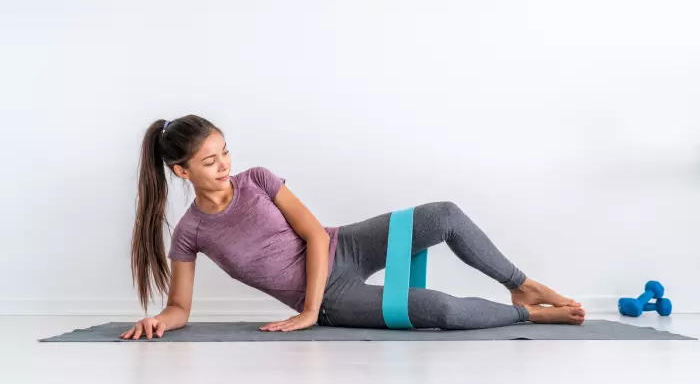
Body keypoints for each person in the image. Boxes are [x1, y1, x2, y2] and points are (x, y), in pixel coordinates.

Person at [121, 115, 586, 340]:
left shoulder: (258, 179)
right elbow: (180, 306)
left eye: (225, 151)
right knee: (439, 311)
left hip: (344, 247)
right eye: (209, 160)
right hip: (333, 299)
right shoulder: (189, 232)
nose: (224, 164)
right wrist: (161, 319)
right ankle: (531, 314)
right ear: (183, 172)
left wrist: (306, 312)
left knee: (443, 213)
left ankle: (521, 286)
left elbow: (316, 236)